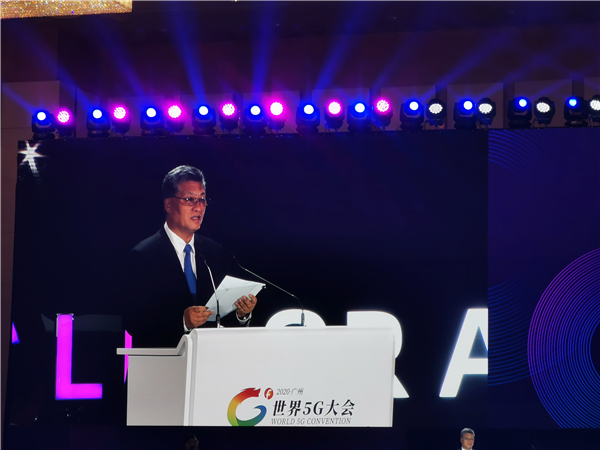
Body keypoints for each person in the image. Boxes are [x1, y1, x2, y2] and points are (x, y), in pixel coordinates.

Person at [121, 165, 257, 347]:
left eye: (202, 199)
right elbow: (133, 322)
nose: (198, 207)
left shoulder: (214, 252)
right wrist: (183, 322)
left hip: (209, 357)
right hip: (163, 360)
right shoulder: (143, 256)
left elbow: (220, 317)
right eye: (189, 199)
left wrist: (241, 314)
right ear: (168, 205)